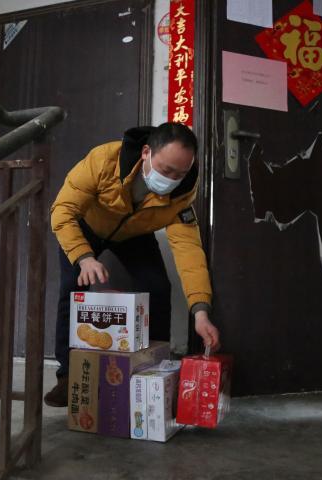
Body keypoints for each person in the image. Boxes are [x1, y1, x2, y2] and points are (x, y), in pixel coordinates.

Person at [44, 122, 220, 407]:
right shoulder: (104, 160)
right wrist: (84, 257)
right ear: (146, 152)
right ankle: (67, 376)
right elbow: (63, 210)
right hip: (86, 226)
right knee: (72, 290)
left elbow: (190, 253)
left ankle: (156, 370)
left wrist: (200, 312)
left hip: (133, 234)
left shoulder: (183, 193)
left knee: (158, 288)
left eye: (180, 174)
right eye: (166, 170)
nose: (172, 179)